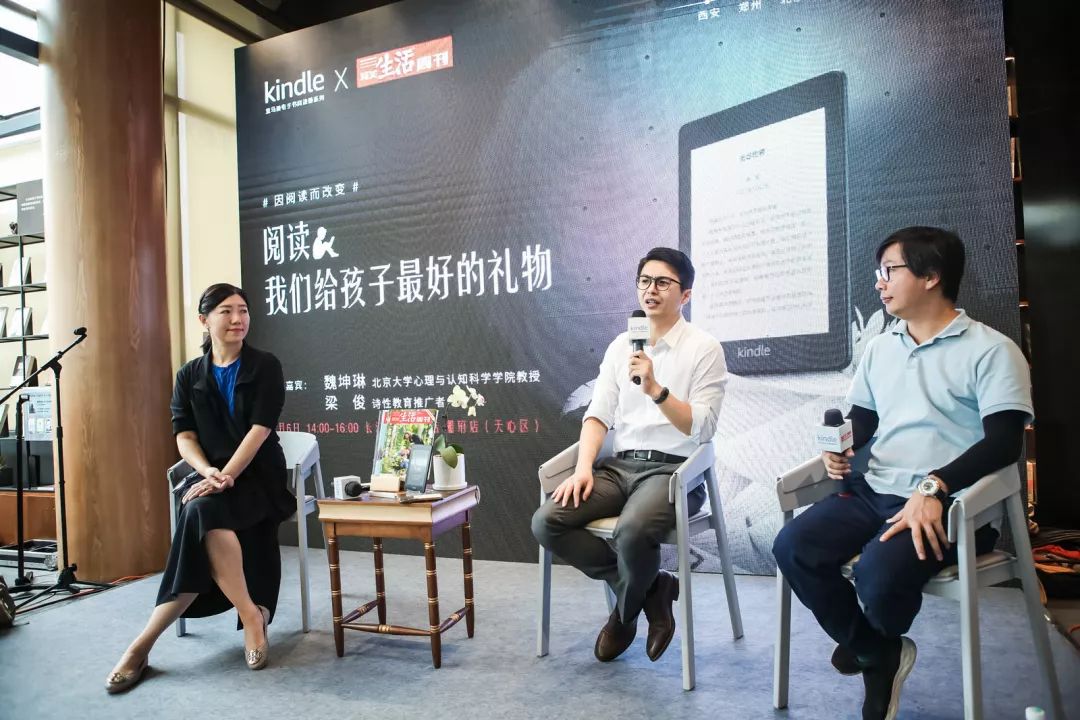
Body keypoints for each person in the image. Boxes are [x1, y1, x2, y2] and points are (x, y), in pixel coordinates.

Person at [772, 227, 1033, 720]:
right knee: (793, 547)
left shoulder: (992, 350)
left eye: (889, 270)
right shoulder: (881, 347)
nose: (879, 282)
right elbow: (864, 420)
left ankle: (872, 645)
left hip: (951, 507)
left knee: (876, 575)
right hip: (873, 492)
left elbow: (1003, 443)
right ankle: (876, 652)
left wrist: (934, 487)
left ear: (931, 276)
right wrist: (838, 447)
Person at [531, 247, 726, 663]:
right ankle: (649, 590)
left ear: (685, 295)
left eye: (662, 282)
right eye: (644, 281)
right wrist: (584, 469)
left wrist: (656, 390)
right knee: (547, 522)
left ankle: (623, 615)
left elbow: (703, 428)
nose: (650, 290)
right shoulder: (622, 346)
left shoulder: (704, 348)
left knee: (632, 531)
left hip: (675, 471)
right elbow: (598, 415)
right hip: (620, 467)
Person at [106, 283, 295, 693]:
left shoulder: (265, 366)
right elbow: (184, 436)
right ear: (204, 321)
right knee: (203, 515)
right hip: (213, 478)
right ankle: (251, 615)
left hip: (258, 478)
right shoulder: (189, 375)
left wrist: (227, 474)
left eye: (243, 310)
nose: (237, 319)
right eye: (226, 311)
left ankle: (141, 646)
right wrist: (209, 471)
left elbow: (260, 430)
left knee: (197, 514)